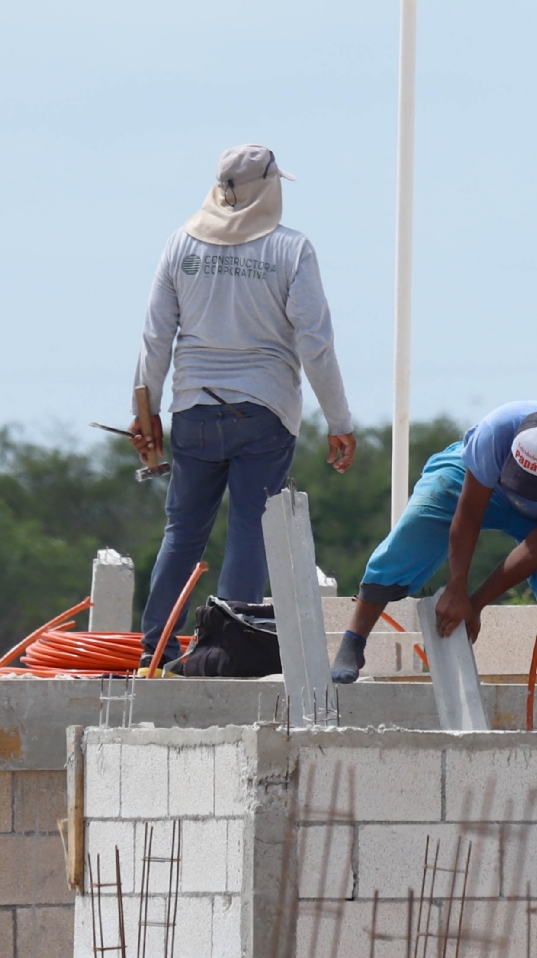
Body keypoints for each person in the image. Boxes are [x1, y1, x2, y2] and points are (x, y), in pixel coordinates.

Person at [132, 144, 356, 662]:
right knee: (253, 529)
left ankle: (155, 652)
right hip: (265, 410)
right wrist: (338, 420)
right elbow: (314, 343)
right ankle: (226, 652)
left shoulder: (179, 245)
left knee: (183, 532)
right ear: (270, 188)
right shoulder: (291, 250)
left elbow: (155, 337)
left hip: (191, 410)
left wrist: (144, 417)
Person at [331, 403, 537, 732]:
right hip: (479, 481)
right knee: (417, 528)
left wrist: (476, 602)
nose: (522, 486)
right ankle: (354, 641)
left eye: (535, 481)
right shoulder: (495, 433)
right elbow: (467, 513)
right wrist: (456, 588)